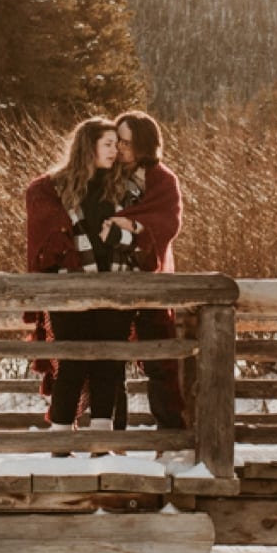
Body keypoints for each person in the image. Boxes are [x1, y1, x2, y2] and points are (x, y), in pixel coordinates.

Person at [23, 117, 138, 433]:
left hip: (115, 287)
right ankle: (60, 438)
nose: (115, 151)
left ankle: (101, 439)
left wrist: (119, 237)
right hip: (69, 289)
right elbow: (46, 241)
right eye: (108, 144)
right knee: (70, 363)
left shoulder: (124, 189)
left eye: (117, 144)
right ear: (89, 147)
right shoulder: (53, 188)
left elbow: (140, 238)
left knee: (109, 364)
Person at [103, 110, 190, 433]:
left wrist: (133, 224)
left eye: (127, 142)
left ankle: (170, 433)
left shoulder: (163, 180)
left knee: (160, 358)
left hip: (151, 277)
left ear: (143, 144)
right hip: (110, 278)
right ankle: (112, 435)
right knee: (109, 359)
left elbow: (168, 222)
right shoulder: (104, 174)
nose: (120, 148)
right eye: (118, 141)